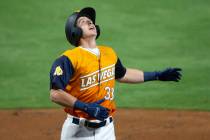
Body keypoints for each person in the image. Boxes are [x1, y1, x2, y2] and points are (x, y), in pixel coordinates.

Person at [49, 7, 182, 140]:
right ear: (75, 31)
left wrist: (157, 75)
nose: (90, 23)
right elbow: (55, 94)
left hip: (107, 131)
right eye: (83, 21)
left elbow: (123, 74)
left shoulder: (109, 53)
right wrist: (85, 107)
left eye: (91, 21)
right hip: (78, 131)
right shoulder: (68, 59)